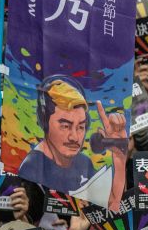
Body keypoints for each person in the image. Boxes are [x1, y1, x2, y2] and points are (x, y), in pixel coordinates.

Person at [17, 76, 126, 210]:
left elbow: (113, 204)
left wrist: (119, 157)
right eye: (65, 126)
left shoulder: (83, 162)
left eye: (80, 127)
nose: (74, 137)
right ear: (44, 121)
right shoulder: (32, 166)